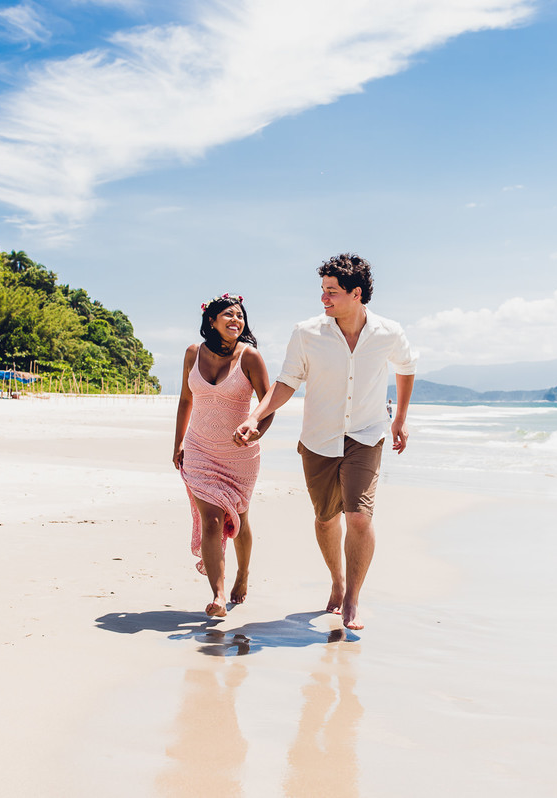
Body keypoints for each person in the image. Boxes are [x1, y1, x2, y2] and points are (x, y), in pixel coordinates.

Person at [235, 254, 417, 630]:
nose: (324, 299)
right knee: (325, 519)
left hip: (366, 435)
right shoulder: (306, 333)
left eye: (331, 292)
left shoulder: (388, 332)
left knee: (359, 518)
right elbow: (286, 383)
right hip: (319, 439)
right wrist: (255, 416)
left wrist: (398, 419)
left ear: (356, 294)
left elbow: (406, 367)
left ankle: (352, 599)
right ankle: (336, 578)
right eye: (322, 291)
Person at [174, 293, 274, 618]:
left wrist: (256, 429)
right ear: (212, 321)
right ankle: (218, 594)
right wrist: (178, 443)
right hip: (200, 449)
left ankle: (243, 574)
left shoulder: (250, 357)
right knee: (212, 519)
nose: (236, 321)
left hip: (239, 455)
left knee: (240, 520)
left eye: (240, 316)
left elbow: (267, 404)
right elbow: (185, 400)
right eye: (229, 315)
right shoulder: (193, 353)